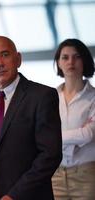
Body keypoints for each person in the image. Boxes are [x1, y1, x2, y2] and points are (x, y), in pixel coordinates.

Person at [0, 36, 62, 200]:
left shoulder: (43, 96)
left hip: (27, 195)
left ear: (18, 59)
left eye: (5, 55)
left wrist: (15, 195)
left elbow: (50, 155)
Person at [51, 38, 95, 200]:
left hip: (87, 174)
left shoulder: (93, 97)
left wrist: (55, 137)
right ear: (58, 63)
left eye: (77, 57)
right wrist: (76, 135)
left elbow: (89, 134)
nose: (71, 62)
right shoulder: (49, 97)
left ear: (85, 60)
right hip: (55, 174)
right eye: (65, 57)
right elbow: (40, 134)